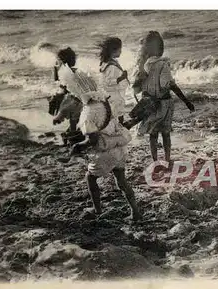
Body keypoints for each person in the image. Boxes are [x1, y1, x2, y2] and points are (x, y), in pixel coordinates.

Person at [57, 64, 141, 221]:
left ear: (78, 91)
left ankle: (97, 210)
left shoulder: (88, 112)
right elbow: (115, 123)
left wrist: (77, 146)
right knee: (121, 181)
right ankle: (135, 211)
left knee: (90, 178)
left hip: (105, 151)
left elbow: (93, 139)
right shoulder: (105, 102)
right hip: (120, 146)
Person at [132, 31, 195, 165]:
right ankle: (167, 159)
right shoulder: (163, 64)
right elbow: (168, 84)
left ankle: (155, 160)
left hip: (148, 103)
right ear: (160, 48)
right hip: (164, 104)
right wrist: (186, 101)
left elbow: (135, 89)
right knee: (165, 133)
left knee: (152, 134)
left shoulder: (141, 67)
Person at [50, 47, 83, 144]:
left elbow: (60, 83)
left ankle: (69, 135)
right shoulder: (72, 71)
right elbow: (64, 86)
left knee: (75, 119)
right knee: (75, 118)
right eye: (74, 59)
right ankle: (71, 136)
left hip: (71, 98)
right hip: (74, 98)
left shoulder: (64, 71)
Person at [98, 37, 129, 125]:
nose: (121, 51)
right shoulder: (112, 66)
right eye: (120, 49)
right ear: (113, 50)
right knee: (118, 116)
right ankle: (119, 132)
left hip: (109, 95)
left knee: (114, 116)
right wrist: (121, 78)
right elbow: (108, 82)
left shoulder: (106, 63)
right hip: (114, 96)